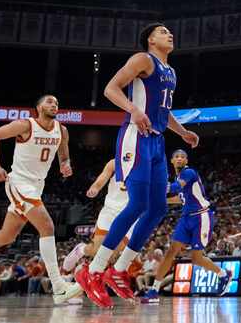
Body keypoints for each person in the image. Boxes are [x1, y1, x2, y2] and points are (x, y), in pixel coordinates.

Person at [70, 23, 199, 308]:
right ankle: (92, 272)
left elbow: (163, 112)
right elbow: (110, 89)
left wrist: (182, 132)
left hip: (156, 140)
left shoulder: (171, 71)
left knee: (159, 208)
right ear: (151, 39)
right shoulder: (143, 60)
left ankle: (118, 270)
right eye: (163, 31)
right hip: (135, 136)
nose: (170, 34)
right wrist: (134, 110)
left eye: (170, 32)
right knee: (138, 204)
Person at [0, 94, 74, 304]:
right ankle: (59, 287)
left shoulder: (62, 130)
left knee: (7, 236)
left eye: (56, 102)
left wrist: (65, 164)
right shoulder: (25, 125)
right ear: (38, 107)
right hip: (19, 182)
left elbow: (63, 154)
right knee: (47, 227)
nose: (54, 104)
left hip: (38, 185)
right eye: (49, 101)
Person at [141, 149, 230, 303]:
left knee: (196, 258)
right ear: (172, 161)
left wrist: (155, 187)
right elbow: (180, 198)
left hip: (201, 216)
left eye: (183, 157)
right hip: (186, 218)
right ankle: (154, 290)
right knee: (170, 252)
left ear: (186, 161)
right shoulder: (178, 177)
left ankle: (223, 274)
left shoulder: (189, 173)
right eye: (177, 156)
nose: (180, 158)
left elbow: (175, 187)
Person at [62, 159, 136, 273]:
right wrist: (95, 188)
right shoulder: (115, 162)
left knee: (112, 255)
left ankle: (90, 278)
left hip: (132, 214)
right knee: (98, 250)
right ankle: (81, 249)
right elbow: (103, 177)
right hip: (111, 210)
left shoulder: (152, 166)